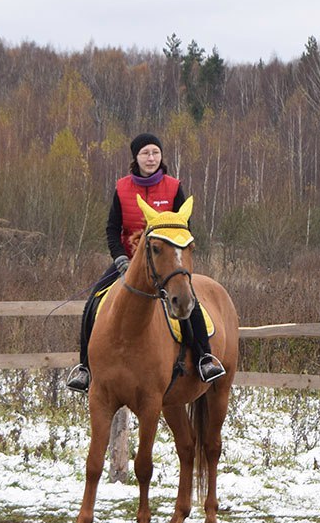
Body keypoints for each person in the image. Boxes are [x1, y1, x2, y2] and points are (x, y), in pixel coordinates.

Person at [65, 133, 226, 392]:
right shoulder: (122, 187)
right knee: (94, 298)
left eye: (155, 152)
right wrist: (119, 259)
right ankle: (84, 367)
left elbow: (184, 229)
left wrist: (177, 260)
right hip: (128, 261)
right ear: (136, 157)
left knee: (188, 301)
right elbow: (112, 228)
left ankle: (204, 358)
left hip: (165, 262)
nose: (150, 158)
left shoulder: (174, 187)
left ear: (161, 157)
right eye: (145, 153)